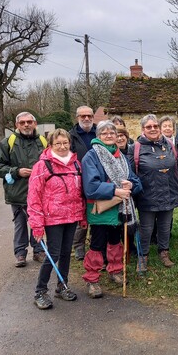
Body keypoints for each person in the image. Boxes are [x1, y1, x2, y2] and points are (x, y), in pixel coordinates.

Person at [27, 129, 86, 309]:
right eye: (57, 143)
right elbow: (34, 196)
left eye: (65, 143)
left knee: (66, 253)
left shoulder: (76, 164)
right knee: (53, 254)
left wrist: (83, 216)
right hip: (52, 218)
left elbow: (80, 193)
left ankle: (62, 287)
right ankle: (40, 291)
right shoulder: (42, 166)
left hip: (72, 216)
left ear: (70, 143)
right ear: (51, 145)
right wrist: (37, 225)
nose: (62, 146)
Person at [81, 120, 141, 298]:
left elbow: (133, 179)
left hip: (120, 208)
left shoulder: (121, 156)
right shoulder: (91, 156)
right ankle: (92, 279)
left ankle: (115, 270)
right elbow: (90, 187)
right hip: (101, 209)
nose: (109, 135)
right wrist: (115, 190)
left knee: (115, 241)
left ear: (117, 136)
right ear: (98, 136)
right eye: (104, 133)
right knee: (97, 244)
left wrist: (132, 184)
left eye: (112, 133)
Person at [129, 114, 178, 273]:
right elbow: (131, 173)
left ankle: (164, 252)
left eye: (155, 126)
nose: (153, 129)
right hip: (147, 196)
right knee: (146, 228)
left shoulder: (169, 145)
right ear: (143, 130)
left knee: (165, 227)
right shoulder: (136, 148)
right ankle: (143, 256)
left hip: (168, 193)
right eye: (149, 127)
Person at [0, 112, 47, 267]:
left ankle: (38, 251)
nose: (26, 125)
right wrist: (16, 172)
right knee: (20, 223)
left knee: (38, 222)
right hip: (17, 191)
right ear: (17, 125)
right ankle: (20, 253)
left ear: (35, 123)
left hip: (40, 192)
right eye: (22, 123)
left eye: (29, 122)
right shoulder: (8, 142)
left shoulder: (43, 141)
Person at [69, 106, 96, 260]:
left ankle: (94, 243)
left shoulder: (99, 132)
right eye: (83, 116)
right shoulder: (71, 135)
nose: (86, 119)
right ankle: (78, 246)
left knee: (95, 211)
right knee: (80, 213)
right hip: (78, 180)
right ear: (77, 117)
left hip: (96, 179)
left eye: (89, 116)